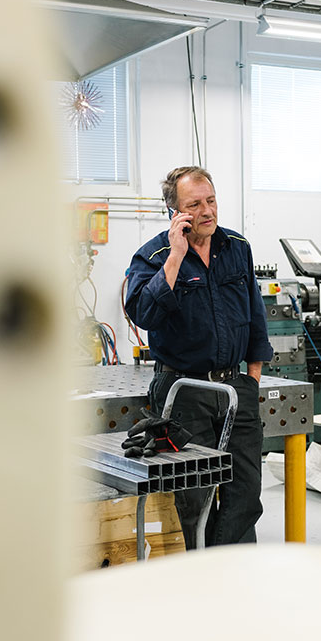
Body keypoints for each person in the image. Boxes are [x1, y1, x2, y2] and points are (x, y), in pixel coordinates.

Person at [125, 166, 272, 549]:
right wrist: (176, 257)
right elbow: (143, 313)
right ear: (176, 212)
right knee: (197, 500)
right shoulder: (153, 256)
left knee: (245, 495)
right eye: (195, 204)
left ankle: (229, 574)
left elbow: (255, 315)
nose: (207, 210)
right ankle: (208, 580)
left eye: (211, 200)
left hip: (236, 389)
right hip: (184, 391)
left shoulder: (236, 247)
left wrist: (252, 381)